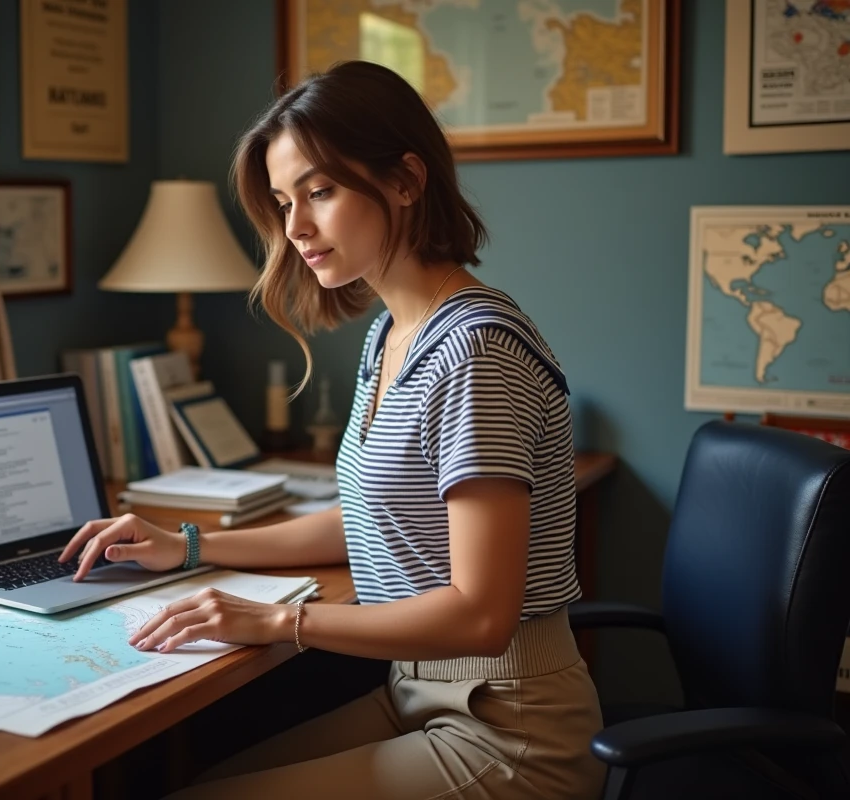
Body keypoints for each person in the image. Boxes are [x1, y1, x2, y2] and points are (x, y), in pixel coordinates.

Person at [59, 60, 605, 800]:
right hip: (420, 692)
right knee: (211, 776)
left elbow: (480, 615)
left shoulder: (475, 350)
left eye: (320, 191)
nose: (295, 228)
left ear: (407, 181)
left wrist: (282, 622)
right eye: (285, 201)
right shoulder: (391, 335)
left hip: (510, 723)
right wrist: (185, 546)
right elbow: (367, 523)